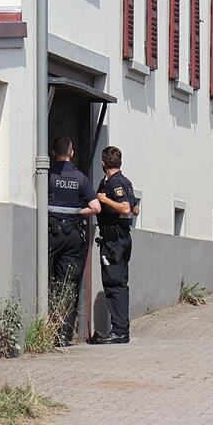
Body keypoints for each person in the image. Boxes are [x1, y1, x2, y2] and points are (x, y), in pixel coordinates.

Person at [48, 137, 101, 346]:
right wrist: (78, 212)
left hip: (51, 233)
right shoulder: (80, 178)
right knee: (67, 283)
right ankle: (63, 335)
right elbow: (96, 207)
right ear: (72, 153)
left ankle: (47, 327)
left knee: (45, 278)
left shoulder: (48, 175)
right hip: (72, 236)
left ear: (52, 153)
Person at [89, 146, 136, 344]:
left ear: (103, 163)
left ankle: (119, 331)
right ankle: (120, 329)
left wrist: (104, 199)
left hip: (114, 241)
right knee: (119, 282)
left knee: (114, 283)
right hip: (121, 239)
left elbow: (127, 209)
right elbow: (136, 208)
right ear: (120, 163)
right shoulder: (125, 182)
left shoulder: (115, 183)